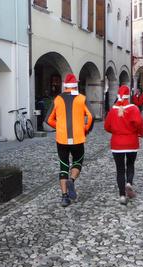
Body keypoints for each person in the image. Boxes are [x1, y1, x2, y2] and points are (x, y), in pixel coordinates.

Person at [46, 73, 93, 207]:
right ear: (76, 85)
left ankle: (64, 197)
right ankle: (71, 180)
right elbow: (90, 116)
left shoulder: (58, 99)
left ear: (64, 85)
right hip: (78, 137)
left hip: (62, 138)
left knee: (63, 165)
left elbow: (48, 119)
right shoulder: (82, 98)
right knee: (78, 162)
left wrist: (60, 126)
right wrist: (84, 128)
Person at [104, 85, 143, 205]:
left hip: (117, 144)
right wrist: (140, 133)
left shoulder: (113, 110)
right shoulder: (134, 109)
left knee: (120, 170)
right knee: (130, 164)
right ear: (129, 95)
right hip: (131, 142)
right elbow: (139, 123)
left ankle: (122, 195)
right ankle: (129, 183)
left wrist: (116, 133)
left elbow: (107, 126)